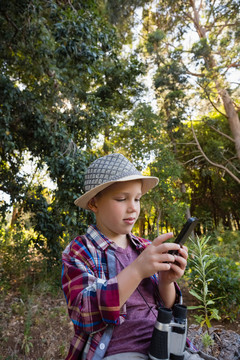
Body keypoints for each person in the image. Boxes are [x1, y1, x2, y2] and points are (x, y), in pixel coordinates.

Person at [61, 153, 197, 360]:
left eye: (137, 199)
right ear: (94, 204)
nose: (133, 207)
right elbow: (84, 313)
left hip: (168, 344)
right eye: (121, 199)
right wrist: (136, 270)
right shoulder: (80, 250)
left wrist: (166, 282)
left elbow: (166, 306)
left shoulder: (144, 247)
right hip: (120, 350)